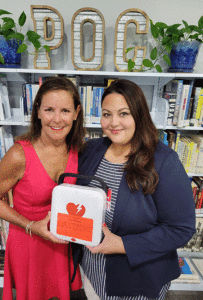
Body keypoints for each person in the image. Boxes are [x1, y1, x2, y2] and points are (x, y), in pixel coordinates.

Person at [72, 79, 196, 300]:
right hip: (91, 272)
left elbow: (181, 229)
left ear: (139, 115)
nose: (113, 122)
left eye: (123, 113)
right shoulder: (91, 149)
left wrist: (121, 244)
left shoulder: (164, 161)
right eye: (106, 114)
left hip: (137, 280)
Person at [0, 77, 85, 300]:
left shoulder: (78, 150)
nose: (57, 119)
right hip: (29, 242)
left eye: (65, 110)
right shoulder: (19, 154)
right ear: (37, 112)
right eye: (49, 109)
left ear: (76, 113)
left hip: (62, 245)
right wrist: (31, 225)